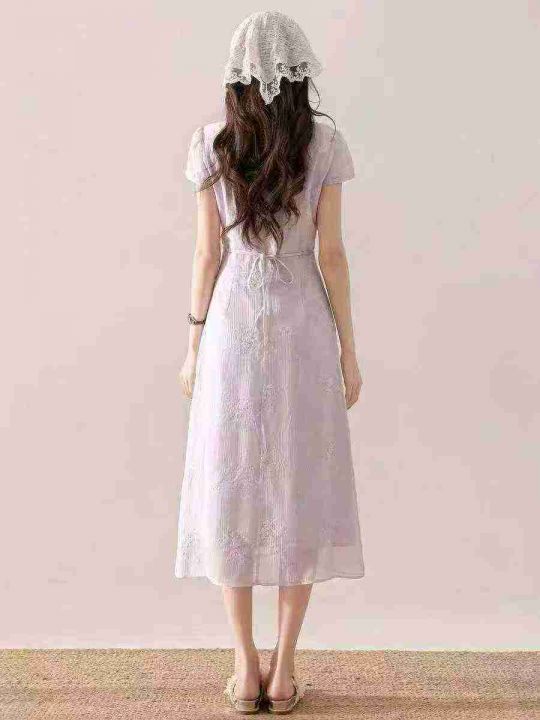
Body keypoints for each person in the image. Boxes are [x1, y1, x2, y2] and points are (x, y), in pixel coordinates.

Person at [175, 10, 365, 714]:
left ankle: (244, 663)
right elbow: (332, 255)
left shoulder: (213, 144)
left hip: (232, 324)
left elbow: (207, 255)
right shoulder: (325, 143)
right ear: (299, 68)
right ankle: (284, 670)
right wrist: (349, 351)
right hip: (302, 326)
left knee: (232, 482)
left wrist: (193, 344)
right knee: (298, 482)